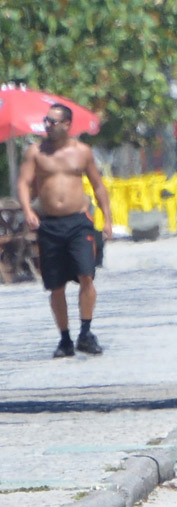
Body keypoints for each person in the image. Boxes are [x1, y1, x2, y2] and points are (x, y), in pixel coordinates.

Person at [17, 103, 113, 358]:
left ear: (68, 125)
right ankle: (65, 339)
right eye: (46, 121)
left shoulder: (82, 152)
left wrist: (107, 219)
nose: (48, 125)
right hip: (49, 224)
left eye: (53, 121)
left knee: (86, 275)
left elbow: (98, 186)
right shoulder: (35, 153)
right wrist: (28, 210)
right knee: (55, 285)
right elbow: (24, 184)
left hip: (79, 223)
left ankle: (86, 331)